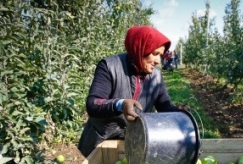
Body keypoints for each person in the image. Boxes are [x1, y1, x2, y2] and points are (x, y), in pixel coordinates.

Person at [78, 25, 186, 157]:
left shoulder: (156, 77)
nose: (158, 61)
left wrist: (177, 111)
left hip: (134, 141)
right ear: (141, 48)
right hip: (102, 142)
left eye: (161, 55)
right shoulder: (110, 66)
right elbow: (93, 104)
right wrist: (120, 104)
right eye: (155, 54)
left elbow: (163, 105)